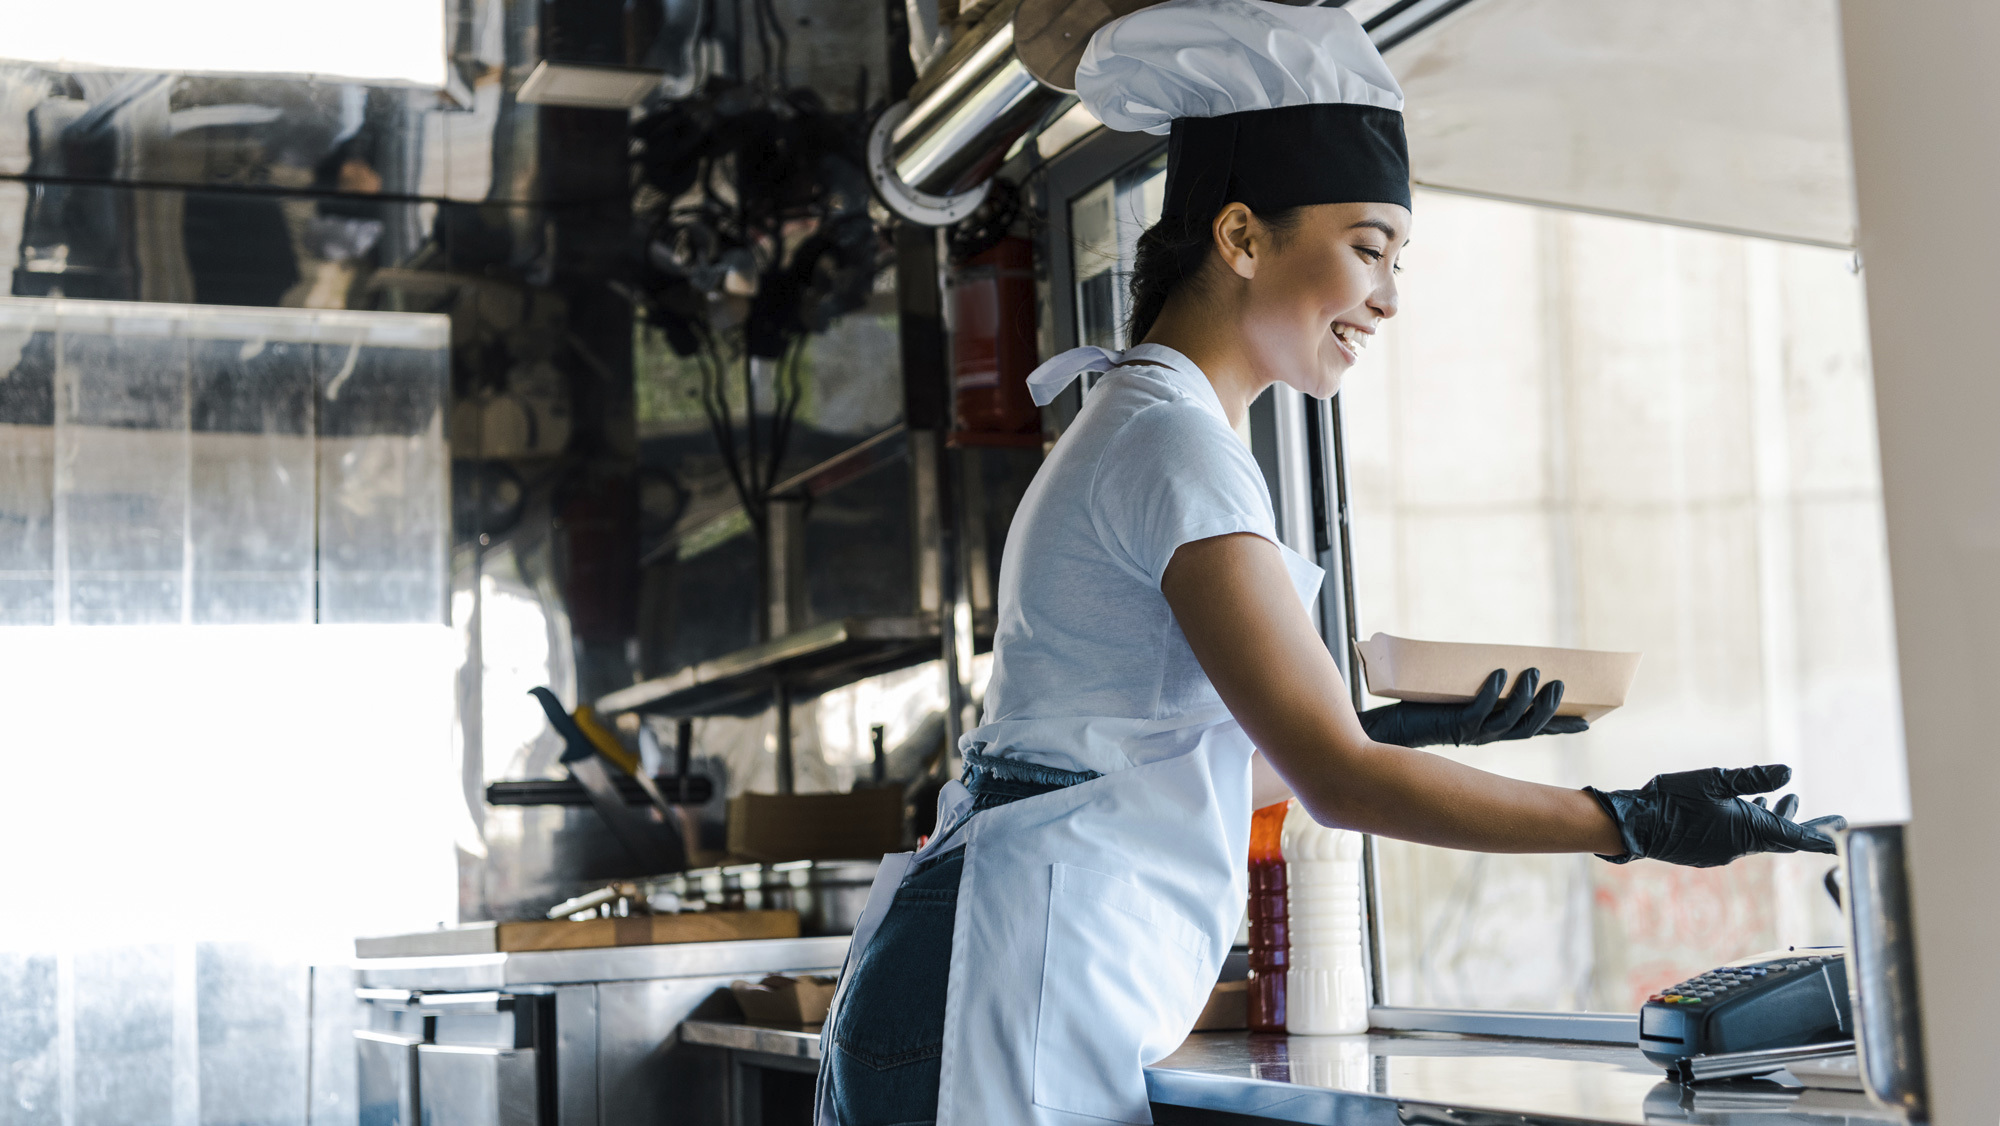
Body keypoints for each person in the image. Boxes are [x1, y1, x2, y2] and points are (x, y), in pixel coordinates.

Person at [816, 1, 1844, 1122]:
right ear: (1241, 237)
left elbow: (1146, 758)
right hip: (995, 997)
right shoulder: (1173, 448)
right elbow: (1332, 784)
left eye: (1397, 258)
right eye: (1367, 248)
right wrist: (1629, 822)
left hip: (985, 976)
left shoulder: (1144, 423)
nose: (1388, 297)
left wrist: (1396, 725)